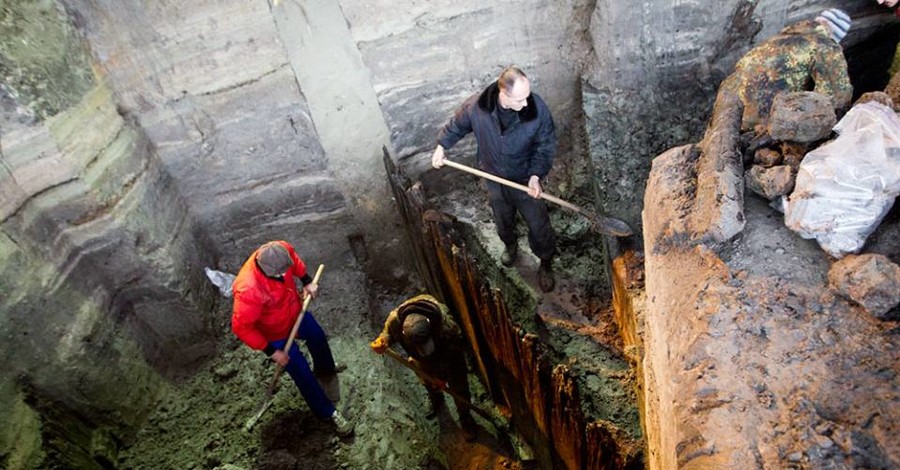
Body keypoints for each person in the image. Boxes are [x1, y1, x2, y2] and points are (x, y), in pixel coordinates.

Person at [431, 66, 559, 292]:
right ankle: (511, 246)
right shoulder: (478, 107)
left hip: (524, 179)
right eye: (520, 99)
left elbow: (545, 145)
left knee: (539, 225)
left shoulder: (536, 110)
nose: (526, 103)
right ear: (504, 95)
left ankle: (546, 261)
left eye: (527, 96)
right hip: (492, 177)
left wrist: (535, 176)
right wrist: (442, 146)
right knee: (502, 219)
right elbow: (457, 125)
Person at [231, 240, 352, 436]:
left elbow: (295, 262)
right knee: (302, 372)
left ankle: (325, 369)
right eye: (279, 274)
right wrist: (271, 351)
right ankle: (328, 413)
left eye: (284, 271)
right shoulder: (248, 290)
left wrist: (307, 281)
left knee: (317, 335)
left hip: (294, 312)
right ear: (265, 270)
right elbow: (242, 328)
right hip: (273, 334)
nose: (283, 275)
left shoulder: (280, 249)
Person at [718, 8, 853, 133]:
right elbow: (837, 95)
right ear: (834, 33)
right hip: (765, 124)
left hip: (729, 119)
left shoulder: (774, 40)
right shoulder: (825, 44)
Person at [370, 294, 477, 441]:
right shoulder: (396, 320)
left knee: (459, 385)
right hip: (421, 361)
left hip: (450, 356)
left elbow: (454, 354)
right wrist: (384, 341)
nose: (423, 350)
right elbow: (387, 332)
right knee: (426, 378)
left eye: (425, 346)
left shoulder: (447, 327)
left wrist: (441, 379)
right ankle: (435, 398)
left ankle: (466, 417)